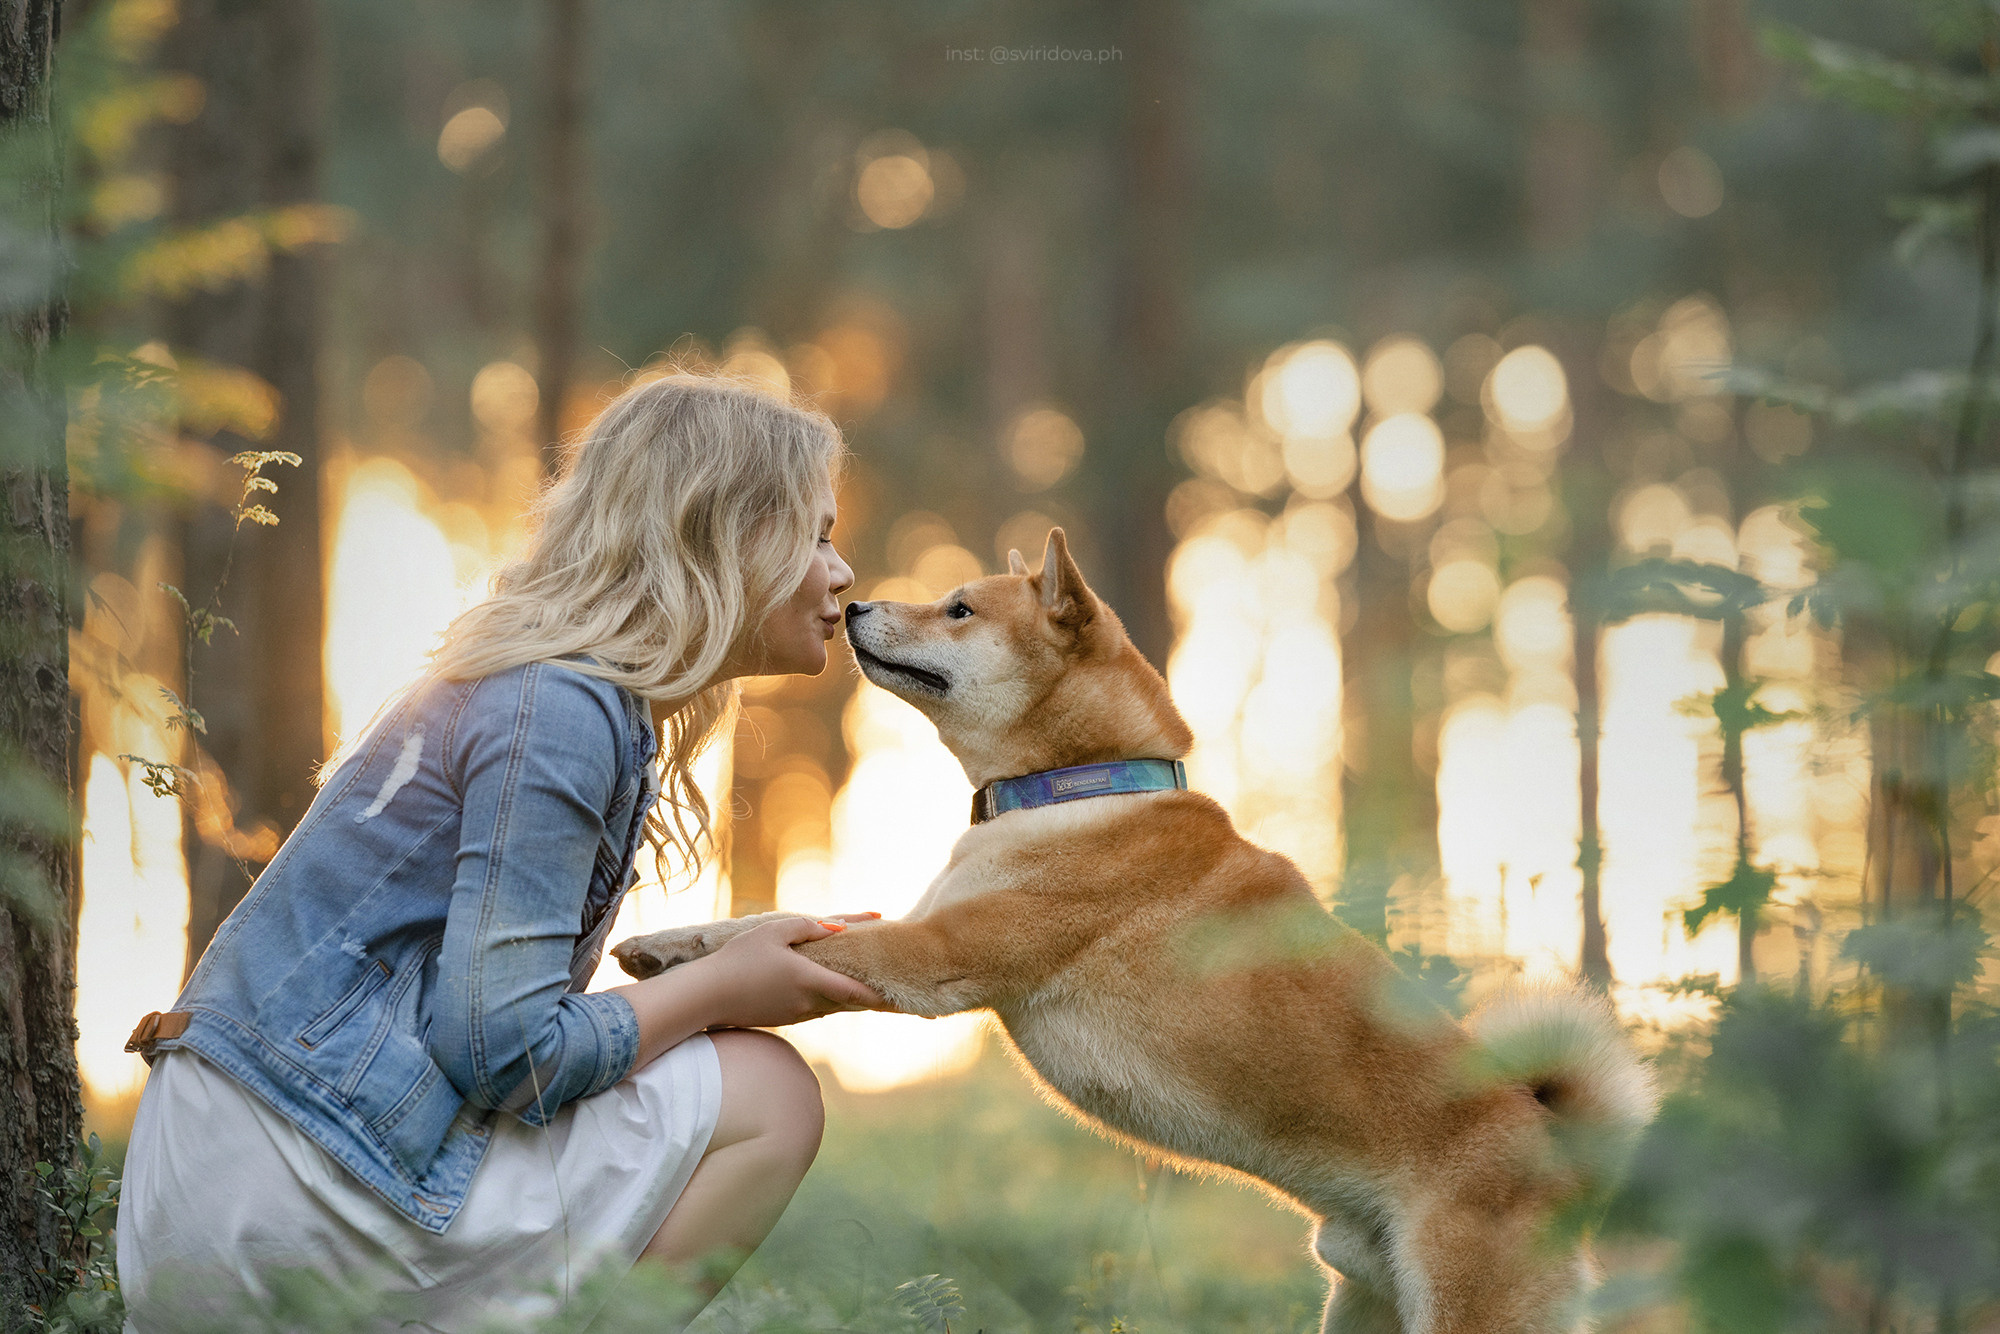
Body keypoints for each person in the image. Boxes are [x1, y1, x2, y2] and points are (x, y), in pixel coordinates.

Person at [116, 374, 887, 1332]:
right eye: (815, 534)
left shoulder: (548, 693)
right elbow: (503, 1054)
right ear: (725, 537)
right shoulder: (561, 707)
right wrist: (726, 990)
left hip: (236, 1175)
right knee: (770, 1093)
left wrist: (727, 964)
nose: (843, 571)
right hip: (288, 1183)